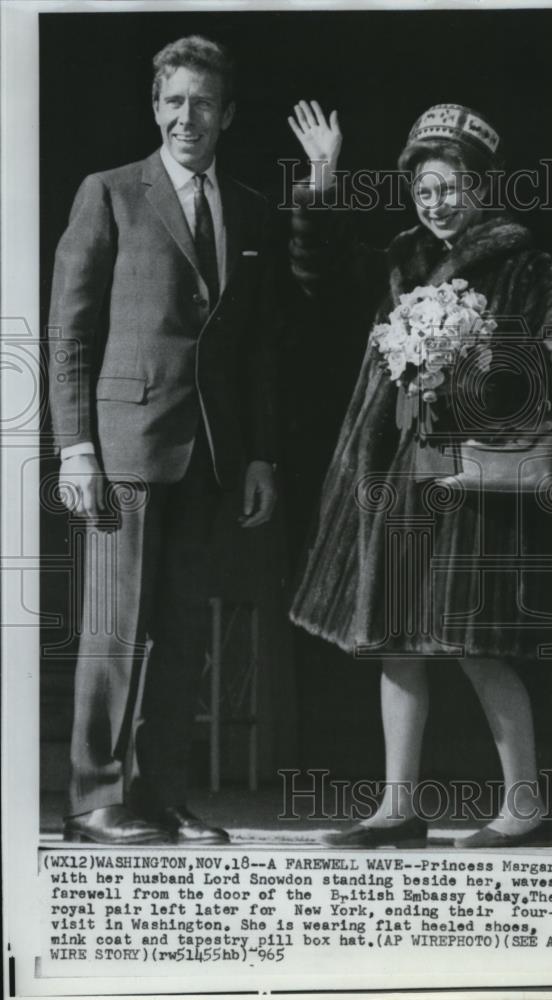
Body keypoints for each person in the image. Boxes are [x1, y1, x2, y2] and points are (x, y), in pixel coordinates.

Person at [287, 101, 552, 848]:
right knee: (397, 639)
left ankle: (525, 809)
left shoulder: (525, 262)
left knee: (478, 644)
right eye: (424, 190)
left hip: (473, 482)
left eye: (449, 187)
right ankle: (398, 808)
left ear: (481, 185)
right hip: (398, 474)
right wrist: (323, 176)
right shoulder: (401, 257)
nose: (435, 202)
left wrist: (476, 360)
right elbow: (316, 274)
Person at [48, 36, 277, 845]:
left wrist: (255, 456)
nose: (188, 116)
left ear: (227, 114)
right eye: (174, 101)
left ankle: (161, 795)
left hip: (209, 456)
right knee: (114, 631)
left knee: (181, 631)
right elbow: (70, 333)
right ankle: (94, 800)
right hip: (124, 450)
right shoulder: (108, 193)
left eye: (204, 102)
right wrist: (75, 448)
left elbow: (251, 347)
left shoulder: (246, 206)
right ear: (156, 107)